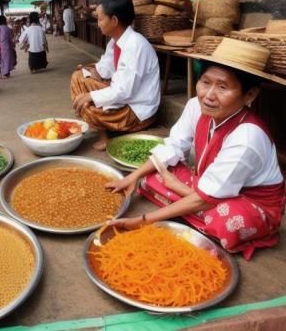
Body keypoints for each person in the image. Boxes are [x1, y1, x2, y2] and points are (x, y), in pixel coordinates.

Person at [106, 38, 286, 260]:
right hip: (209, 187)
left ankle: (187, 205)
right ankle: (187, 202)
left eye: (223, 87)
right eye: (205, 82)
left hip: (249, 203)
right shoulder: (195, 106)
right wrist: (131, 177)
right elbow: (173, 146)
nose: (209, 95)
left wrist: (144, 220)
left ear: (249, 96)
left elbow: (207, 199)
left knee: (225, 221)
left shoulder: (248, 136)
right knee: (152, 175)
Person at [71, 0, 161, 151]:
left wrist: (90, 95)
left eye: (100, 18)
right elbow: (106, 67)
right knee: (79, 77)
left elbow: (123, 91)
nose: (98, 23)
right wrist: (92, 71)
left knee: (87, 105)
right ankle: (103, 130)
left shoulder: (135, 45)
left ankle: (105, 131)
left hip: (136, 111)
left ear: (114, 21)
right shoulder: (115, 41)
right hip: (124, 95)